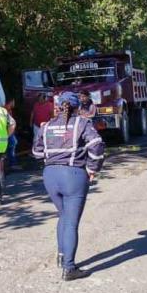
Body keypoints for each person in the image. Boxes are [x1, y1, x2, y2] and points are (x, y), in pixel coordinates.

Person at [33, 92, 105, 281]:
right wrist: (92, 168)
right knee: (71, 222)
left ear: (58, 106)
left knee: (63, 216)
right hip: (73, 175)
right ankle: (69, 268)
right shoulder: (82, 123)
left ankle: (61, 256)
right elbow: (97, 145)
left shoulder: (46, 126)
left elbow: (36, 152)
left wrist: (53, 157)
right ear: (76, 107)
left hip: (50, 176)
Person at [4, 98, 22, 171]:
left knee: (11, 145)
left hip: (8, 131)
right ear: (11, 102)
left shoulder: (7, 109)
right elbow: (11, 123)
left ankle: (10, 163)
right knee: (13, 144)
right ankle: (12, 164)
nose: (14, 103)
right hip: (8, 131)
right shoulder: (6, 110)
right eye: (13, 101)